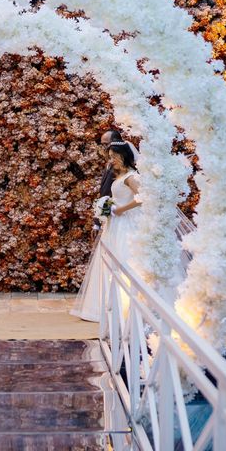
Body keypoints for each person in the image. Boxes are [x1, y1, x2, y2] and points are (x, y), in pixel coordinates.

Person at [72, 141, 141, 322]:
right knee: (108, 261)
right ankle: (105, 306)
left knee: (123, 260)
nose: (111, 160)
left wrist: (120, 209)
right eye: (110, 157)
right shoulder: (120, 177)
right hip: (114, 225)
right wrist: (107, 208)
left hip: (125, 223)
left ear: (124, 156)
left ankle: (126, 307)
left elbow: (142, 198)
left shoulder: (131, 177)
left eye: (114, 157)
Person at [91, 129, 124, 240]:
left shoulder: (121, 168)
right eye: (102, 144)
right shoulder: (110, 163)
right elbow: (104, 194)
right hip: (110, 217)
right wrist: (97, 222)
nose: (103, 148)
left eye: (106, 144)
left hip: (119, 218)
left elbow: (108, 194)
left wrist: (99, 222)